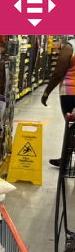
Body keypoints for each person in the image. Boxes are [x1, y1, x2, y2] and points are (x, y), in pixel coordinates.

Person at [42, 39, 75, 167]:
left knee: (71, 127)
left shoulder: (69, 46)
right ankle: (65, 158)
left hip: (70, 92)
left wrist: (46, 92)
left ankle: (65, 159)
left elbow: (58, 73)